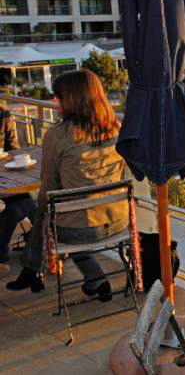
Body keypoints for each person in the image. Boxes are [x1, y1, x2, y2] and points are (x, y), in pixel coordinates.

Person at [6, 69, 127, 298]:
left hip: (81, 230)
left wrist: (44, 208)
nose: (55, 101)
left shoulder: (58, 135)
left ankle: (34, 269)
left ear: (72, 99)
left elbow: (48, 188)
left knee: (45, 210)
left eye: (58, 96)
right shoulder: (116, 129)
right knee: (58, 211)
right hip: (118, 221)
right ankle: (36, 270)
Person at [0, 104, 36, 279]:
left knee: (17, 207)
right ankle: (47, 243)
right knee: (21, 205)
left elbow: (14, 149)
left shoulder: (3, 113)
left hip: (3, 177)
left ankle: (41, 244)